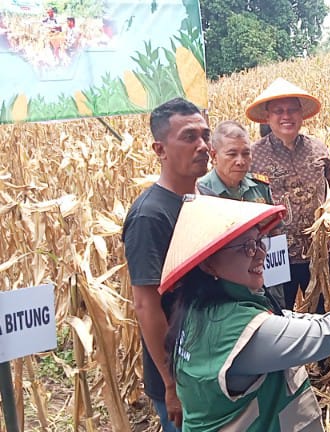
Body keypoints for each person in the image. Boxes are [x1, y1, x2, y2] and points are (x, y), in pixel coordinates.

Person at [161, 195, 330, 431]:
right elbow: (325, 334)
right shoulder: (229, 328)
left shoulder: (198, 308)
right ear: (208, 263)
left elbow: (282, 322)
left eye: (259, 242)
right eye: (246, 247)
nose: (260, 253)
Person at [122, 98, 211, 431]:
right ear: (159, 149)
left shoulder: (200, 198)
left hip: (207, 363)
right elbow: (146, 305)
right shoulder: (150, 216)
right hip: (181, 375)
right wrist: (171, 384)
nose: (203, 145)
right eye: (189, 137)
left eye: (205, 135)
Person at [247, 78, 330, 312]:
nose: (287, 116)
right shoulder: (253, 156)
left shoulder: (319, 149)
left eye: (292, 110)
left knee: (318, 314)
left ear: (302, 114)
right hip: (274, 253)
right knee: (278, 313)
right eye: (279, 111)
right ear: (267, 117)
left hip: (317, 253)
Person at [197, 120, 286, 308]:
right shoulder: (200, 192)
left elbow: (274, 233)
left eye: (246, 153)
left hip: (261, 279)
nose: (240, 161)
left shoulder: (260, 188)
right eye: (232, 154)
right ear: (214, 155)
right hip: (222, 291)